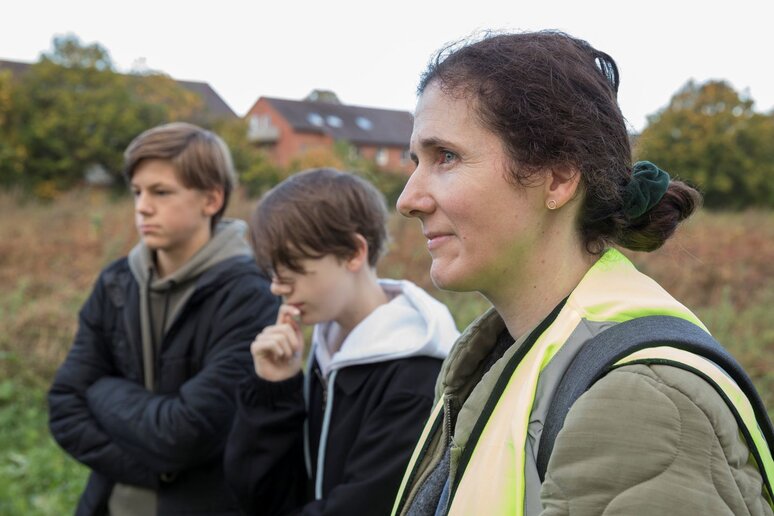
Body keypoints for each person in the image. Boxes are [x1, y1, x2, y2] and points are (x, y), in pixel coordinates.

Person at [391, 31, 773, 516]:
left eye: (446, 156)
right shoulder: (499, 356)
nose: (407, 199)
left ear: (558, 178)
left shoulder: (642, 406)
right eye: (414, 161)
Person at [48, 122, 280, 515]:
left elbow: (186, 434)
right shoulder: (115, 283)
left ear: (211, 199)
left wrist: (101, 391)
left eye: (161, 192)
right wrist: (157, 473)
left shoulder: (250, 294)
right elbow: (65, 408)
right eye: (137, 192)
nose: (142, 206)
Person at [223, 167, 460, 515]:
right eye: (272, 273)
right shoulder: (326, 348)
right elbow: (258, 495)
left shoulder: (415, 375)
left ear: (353, 252)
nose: (276, 287)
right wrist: (273, 391)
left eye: (293, 270)